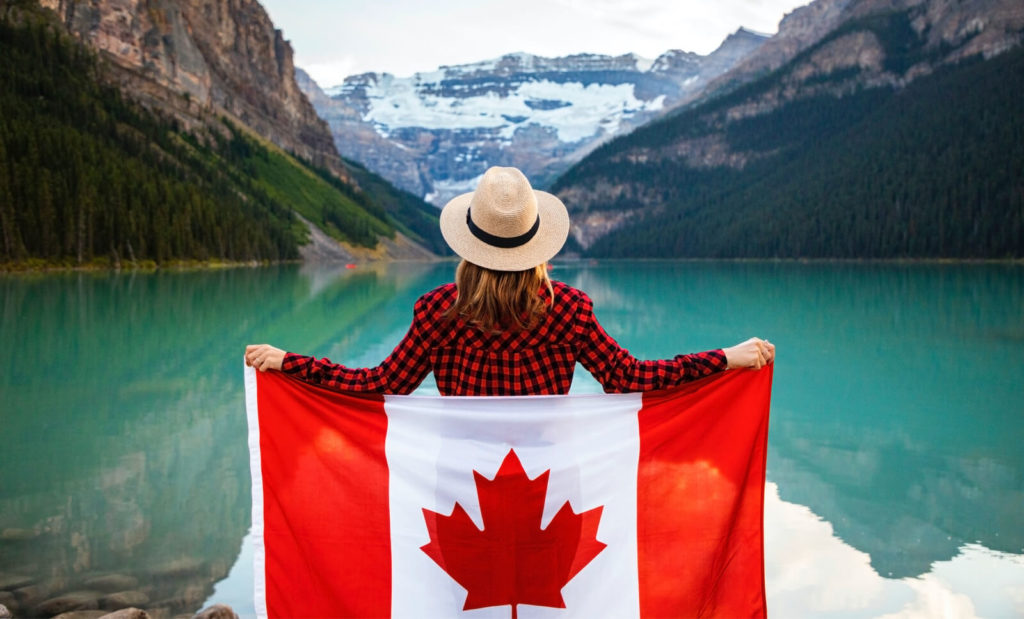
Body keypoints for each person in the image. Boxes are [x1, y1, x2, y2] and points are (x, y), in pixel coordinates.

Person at [245, 166, 774, 395]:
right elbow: (629, 378)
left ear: (468, 243)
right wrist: (727, 358)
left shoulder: (437, 312)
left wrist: (291, 363)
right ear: (536, 245)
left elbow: (379, 386)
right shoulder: (569, 308)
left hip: (460, 486)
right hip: (550, 481)